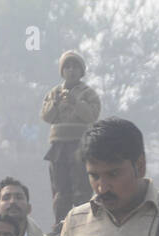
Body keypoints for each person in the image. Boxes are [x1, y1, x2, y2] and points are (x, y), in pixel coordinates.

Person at [41, 50, 102, 224]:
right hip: (58, 145)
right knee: (60, 189)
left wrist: (76, 103)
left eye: (75, 66)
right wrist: (56, 103)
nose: (71, 70)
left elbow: (92, 115)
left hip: (80, 144)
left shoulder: (88, 93)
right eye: (67, 66)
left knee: (81, 187)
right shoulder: (54, 93)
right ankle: (60, 224)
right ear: (62, 71)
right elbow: (46, 116)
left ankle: (83, 222)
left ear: (81, 71)